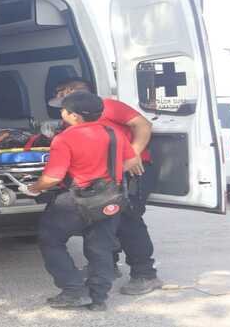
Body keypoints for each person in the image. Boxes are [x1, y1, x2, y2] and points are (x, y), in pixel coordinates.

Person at [24, 91, 140, 311]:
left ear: (74, 115)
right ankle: (98, 298)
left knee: (51, 240)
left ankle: (73, 290)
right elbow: (131, 160)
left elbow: (53, 178)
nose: (62, 112)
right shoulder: (113, 132)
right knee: (101, 248)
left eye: (64, 109)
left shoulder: (65, 138)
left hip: (76, 200)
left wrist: (33, 188)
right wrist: (107, 177)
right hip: (110, 198)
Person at [52, 79, 163, 296]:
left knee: (128, 220)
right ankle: (105, 267)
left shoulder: (108, 105)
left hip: (132, 169)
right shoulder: (74, 116)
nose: (59, 98)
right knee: (100, 217)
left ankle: (145, 274)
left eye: (62, 92)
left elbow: (143, 124)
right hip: (106, 174)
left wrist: (134, 153)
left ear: (72, 91)